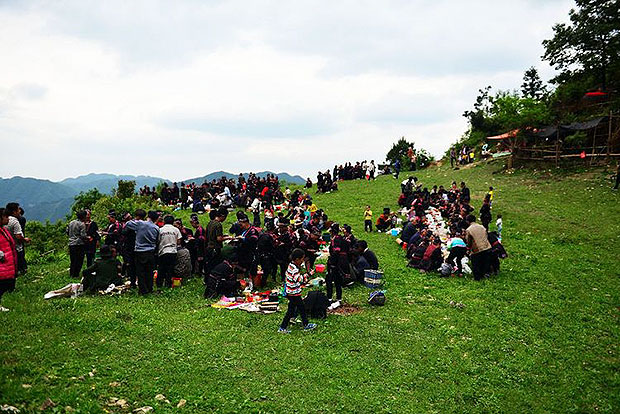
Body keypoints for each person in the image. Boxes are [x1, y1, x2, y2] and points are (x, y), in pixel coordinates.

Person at [278, 248, 317, 333]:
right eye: (302, 259)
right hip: (293, 293)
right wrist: (308, 274)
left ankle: (298, 323)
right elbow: (299, 279)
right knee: (298, 309)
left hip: (291, 292)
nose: (302, 261)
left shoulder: (291, 265)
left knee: (296, 308)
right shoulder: (294, 269)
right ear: (297, 259)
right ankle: (284, 327)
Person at [125, 209, 160, 295]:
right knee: (149, 272)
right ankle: (149, 288)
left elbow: (128, 224)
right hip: (151, 252)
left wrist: (133, 219)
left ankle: (143, 290)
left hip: (140, 251)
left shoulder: (140, 224)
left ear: (148, 217)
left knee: (140, 272)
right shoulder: (156, 228)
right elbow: (158, 240)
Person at [4, 203, 29, 275]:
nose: (19, 211)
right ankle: (21, 271)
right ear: (14, 212)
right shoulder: (15, 221)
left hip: (7, 248)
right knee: (20, 260)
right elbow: (18, 236)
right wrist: (24, 240)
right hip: (17, 247)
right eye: (18, 210)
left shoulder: (4, 220)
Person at [157, 215, 181, 288]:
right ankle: (168, 284)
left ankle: (159, 284)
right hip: (173, 251)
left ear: (164, 221)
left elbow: (157, 241)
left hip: (163, 251)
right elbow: (179, 241)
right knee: (170, 269)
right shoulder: (176, 230)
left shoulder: (160, 230)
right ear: (173, 222)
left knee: (161, 268)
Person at [464, 215, 492, 281]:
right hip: (487, 246)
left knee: (475, 264)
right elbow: (486, 235)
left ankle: (477, 278)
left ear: (468, 221)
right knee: (484, 262)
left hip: (477, 249)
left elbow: (468, 241)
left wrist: (469, 248)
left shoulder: (469, 230)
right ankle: (484, 274)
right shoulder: (482, 227)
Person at [326, 223, 348, 307]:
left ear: (332, 232)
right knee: (338, 281)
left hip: (336, 263)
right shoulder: (343, 238)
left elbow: (336, 251)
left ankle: (329, 298)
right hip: (342, 262)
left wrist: (332, 262)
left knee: (329, 280)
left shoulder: (335, 239)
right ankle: (339, 298)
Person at [205, 207, 231, 277]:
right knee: (215, 265)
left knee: (209, 265)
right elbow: (219, 238)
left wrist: (224, 236)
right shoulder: (218, 225)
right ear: (222, 216)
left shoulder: (210, 223)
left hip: (208, 247)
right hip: (215, 248)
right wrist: (228, 238)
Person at [0, 208, 17, 311]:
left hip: (7, 264)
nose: (8, 219)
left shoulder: (3, 230)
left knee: (5, 285)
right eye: (6, 217)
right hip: (2, 265)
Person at [67, 210, 88, 279]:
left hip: (71, 243)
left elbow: (67, 231)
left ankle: (71, 274)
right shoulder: (82, 224)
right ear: (83, 217)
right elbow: (83, 235)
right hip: (79, 244)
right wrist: (88, 238)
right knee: (79, 260)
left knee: (73, 260)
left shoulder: (71, 222)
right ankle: (76, 274)